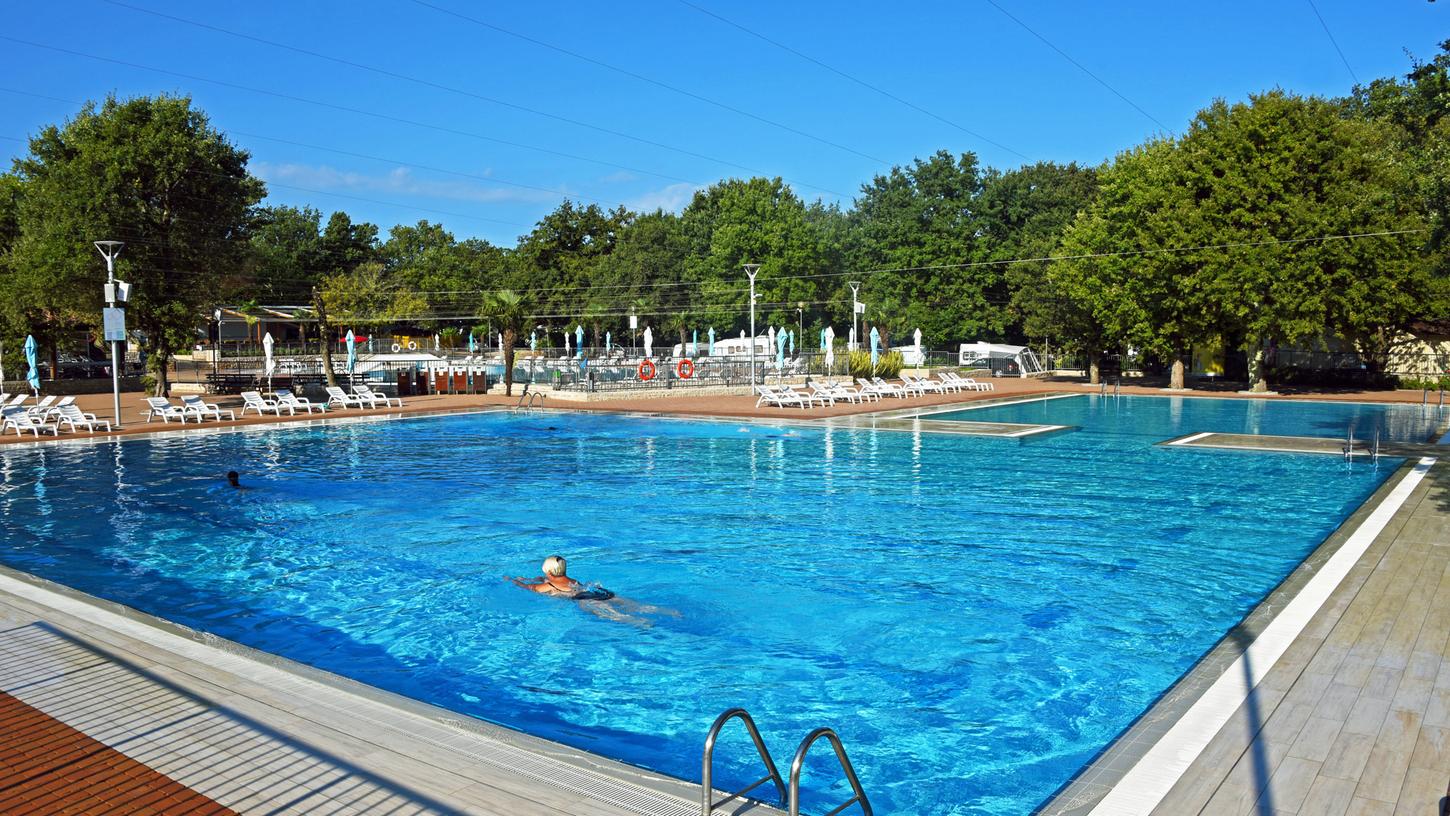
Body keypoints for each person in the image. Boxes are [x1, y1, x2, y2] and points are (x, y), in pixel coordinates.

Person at [512, 555, 614, 601]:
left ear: (549, 571)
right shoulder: (573, 581)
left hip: (584, 600)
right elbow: (544, 578)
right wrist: (530, 578)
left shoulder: (549, 585)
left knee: (617, 617)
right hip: (594, 593)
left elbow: (528, 587)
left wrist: (513, 580)